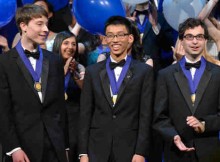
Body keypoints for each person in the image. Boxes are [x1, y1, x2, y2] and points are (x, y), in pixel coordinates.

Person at [79, 16, 154, 162]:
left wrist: (140, 152)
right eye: (110, 36)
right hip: (97, 149)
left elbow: (146, 115)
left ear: (130, 38)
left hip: (130, 149)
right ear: (105, 39)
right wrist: (83, 153)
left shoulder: (144, 72)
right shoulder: (92, 72)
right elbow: (85, 114)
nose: (115, 40)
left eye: (120, 35)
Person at [0, 4, 67, 162]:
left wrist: (65, 146)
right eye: (39, 24)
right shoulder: (4, 63)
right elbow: (3, 110)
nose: (45, 29)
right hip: (22, 148)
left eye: (46, 24)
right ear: (23, 25)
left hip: (54, 145)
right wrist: (14, 148)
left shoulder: (54, 60)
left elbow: (60, 107)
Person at [153, 18, 220, 162]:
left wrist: (204, 124)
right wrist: (173, 136)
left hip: (210, 152)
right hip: (176, 151)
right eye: (189, 37)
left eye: (199, 37)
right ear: (181, 41)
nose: (195, 42)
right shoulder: (166, 75)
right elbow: (159, 117)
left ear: (205, 40)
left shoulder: (217, 74)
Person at [52, 31, 85, 162]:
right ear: (58, 45)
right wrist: (64, 69)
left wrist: (75, 74)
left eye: (73, 44)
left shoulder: (80, 67)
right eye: (66, 43)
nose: (70, 47)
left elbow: (86, 91)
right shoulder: (48, 66)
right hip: (54, 117)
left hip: (74, 119)